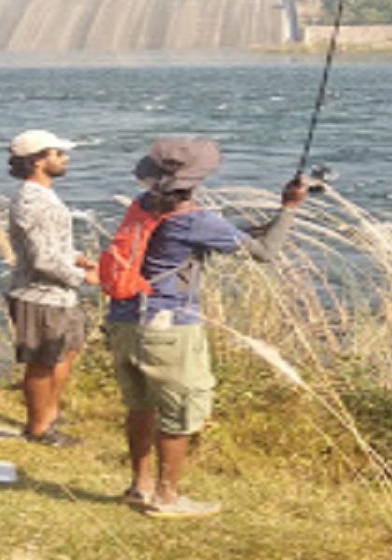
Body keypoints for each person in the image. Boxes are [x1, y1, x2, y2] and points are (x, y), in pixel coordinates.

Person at [105, 135, 307, 519]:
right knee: (179, 408)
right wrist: (290, 209)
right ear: (194, 179)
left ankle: (140, 484)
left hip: (124, 318)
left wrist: (267, 217)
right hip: (168, 327)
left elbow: (220, 236)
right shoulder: (195, 219)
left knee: (140, 405)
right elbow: (265, 253)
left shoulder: (141, 206)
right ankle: (167, 496)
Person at [4, 129, 98, 447]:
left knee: (64, 354)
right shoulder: (33, 200)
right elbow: (43, 259)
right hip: (40, 295)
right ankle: (39, 428)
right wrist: (82, 277)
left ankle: (50, 414)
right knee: (42, 362)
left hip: (56, 293)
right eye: (57, 154)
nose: (64, 158)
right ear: (37, 161)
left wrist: (76, 258)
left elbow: (51, 247)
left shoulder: (42, 196)